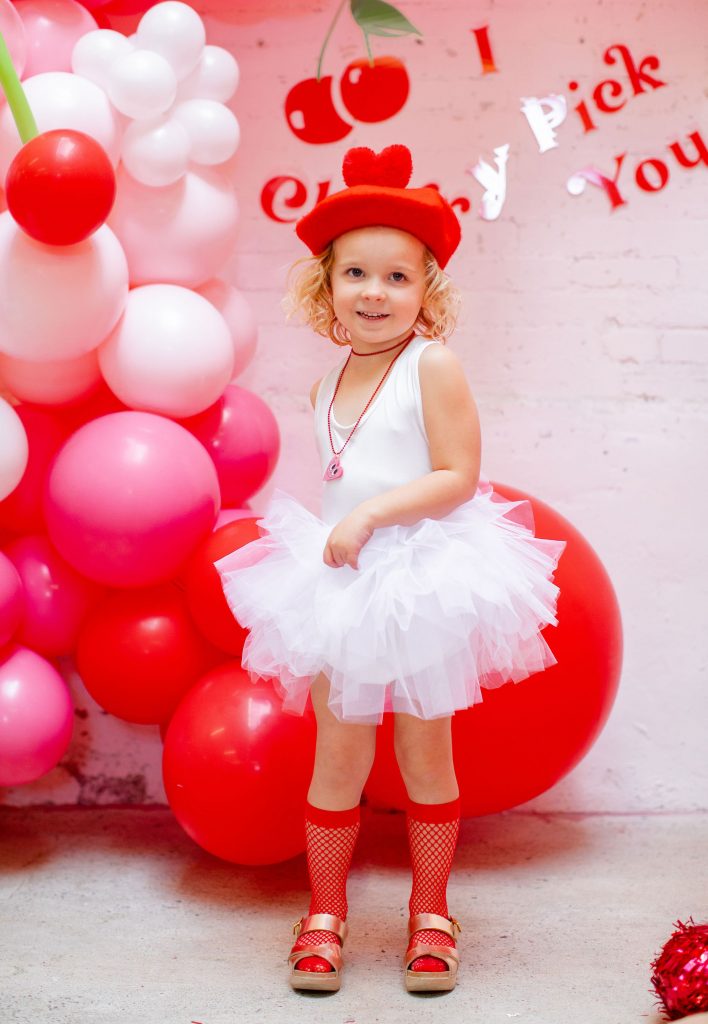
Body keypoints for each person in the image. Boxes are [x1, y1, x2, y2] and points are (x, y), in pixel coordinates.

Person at [215, 144, 566, 994]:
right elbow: (341, 479)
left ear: (427, 292)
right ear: (325, 286)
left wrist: (372, 515)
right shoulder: (326, 381)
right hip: (342, 586)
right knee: (336, 756)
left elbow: (456, 475)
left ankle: (431, 915)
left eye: (399, 278)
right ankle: (326, 913)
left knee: (424, 756)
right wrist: (349, 524)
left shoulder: (431, 366)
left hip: (417, 579)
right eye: (357, 275)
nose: (376, 293)